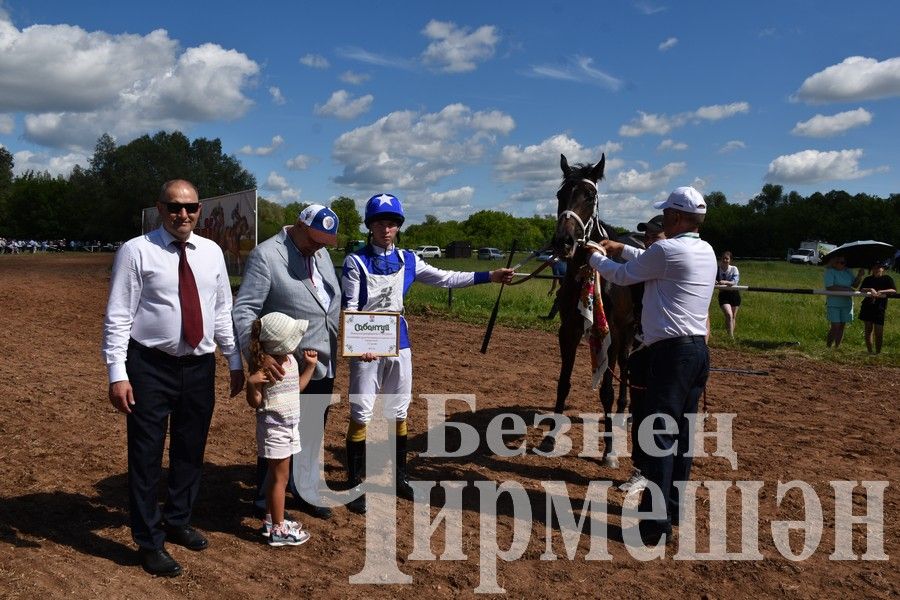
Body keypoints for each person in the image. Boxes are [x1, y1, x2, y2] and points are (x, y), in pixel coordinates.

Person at [102, 179, 245, 577]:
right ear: (160, 208)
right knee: (146, 456)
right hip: (149, 366)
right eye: (174, 207)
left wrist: (233, 359)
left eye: (191, 207)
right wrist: (118, 373)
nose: (184, 214)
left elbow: (220, 310)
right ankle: (149, 541)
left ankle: (178, 519)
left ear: (199, 210)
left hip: (199, 366)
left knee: (190, 448)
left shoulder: (213, 252)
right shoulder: (137, 251)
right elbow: (118, 315)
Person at [341, 193, 514, 514]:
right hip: (366, 345)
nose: (386, 228)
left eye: (392, 223)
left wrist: (489, 275)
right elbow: (350, 306)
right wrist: (358, 344)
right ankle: (354, 484)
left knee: (399, 410)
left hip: (400, 345)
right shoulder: (356, 261)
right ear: (370, 226)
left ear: (398, 227)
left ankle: (399, 476)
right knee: (362, 411)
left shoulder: (408, 259)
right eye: (380, 223)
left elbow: (446, 277)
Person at [583, 186, 716, 545]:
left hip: (669, 354)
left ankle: (653, 526)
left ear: (674, 217)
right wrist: (620, 247)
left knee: (657, 436)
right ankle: (671, 511)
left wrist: (595, 255)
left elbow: (624, 275)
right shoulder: (705, 249)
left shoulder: (666, 249)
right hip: (697, 353)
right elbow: (648, 258)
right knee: (682, 439)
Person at [232, 204, 341, 521]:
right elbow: (244, 311)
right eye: (316, 238)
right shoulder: (266, 255)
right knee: (278, 432)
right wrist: (257, 356)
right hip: (282, 366)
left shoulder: (319, 252)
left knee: (311, 430)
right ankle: (263, 499)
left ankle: (304, 489)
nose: (320, 246)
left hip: (320, 360)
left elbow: (325, 301)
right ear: (299, 225)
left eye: (325, 241)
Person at [245, 312, 318, 546]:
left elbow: (295, 388)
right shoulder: (264, 369)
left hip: (289, 426)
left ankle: (270, 520)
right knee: (280, 479)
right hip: (274, 429)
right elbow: (255, 402)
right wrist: (252, 384)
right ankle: (279, 528)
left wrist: (310, 367)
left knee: (274, 477)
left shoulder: (290, 361)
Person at [618, 214, 665, 494]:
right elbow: (639, 256)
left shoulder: (664, 260)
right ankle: (642, 469)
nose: (647, 240)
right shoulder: (652, 258)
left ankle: (654, 474)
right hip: (641, 348)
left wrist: (597, 259)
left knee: (656, 413)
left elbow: (622, 272)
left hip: (662, 348)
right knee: (641, 410)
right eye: (645, 236)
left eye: (653, 236)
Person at [824, 255, 865, 349]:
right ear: (833, 262)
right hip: (833, 303)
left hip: (847, 303)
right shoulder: (830, 271)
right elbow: (830, 287)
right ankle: (828, 347)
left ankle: (836, 348)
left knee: (842, 326)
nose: (840, 264)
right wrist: (847, 289)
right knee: (835, 326)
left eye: (842, 262)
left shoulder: (848, 271)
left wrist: (860, 275)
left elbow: (854, 285)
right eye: (837, 262)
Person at [858, 261, 896, 354]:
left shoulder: (887, 278)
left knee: (879, 332)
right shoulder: (868, 279)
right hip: (867, 306)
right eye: (875, 267)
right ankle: (870, 352)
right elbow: (861, 289)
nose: (877, 269)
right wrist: (870, 289)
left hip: (880, 307)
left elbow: (893, 290)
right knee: (868, 329)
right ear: (872, 269)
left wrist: (881, 291)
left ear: (883, 268)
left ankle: (878, 353)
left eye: (879, 267)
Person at [716, 250, 741, 338]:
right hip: (723, 295)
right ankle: (731, 337)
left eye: (727, 258)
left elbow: (735, 282)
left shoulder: (734, 269)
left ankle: (730, 336)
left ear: (730, 260)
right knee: (728, 314)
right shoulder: (717, 269)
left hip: (734, 294)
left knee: (733, 316)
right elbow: (714, 280)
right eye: (723, 258)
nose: (725, 260)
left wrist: (724, 282)